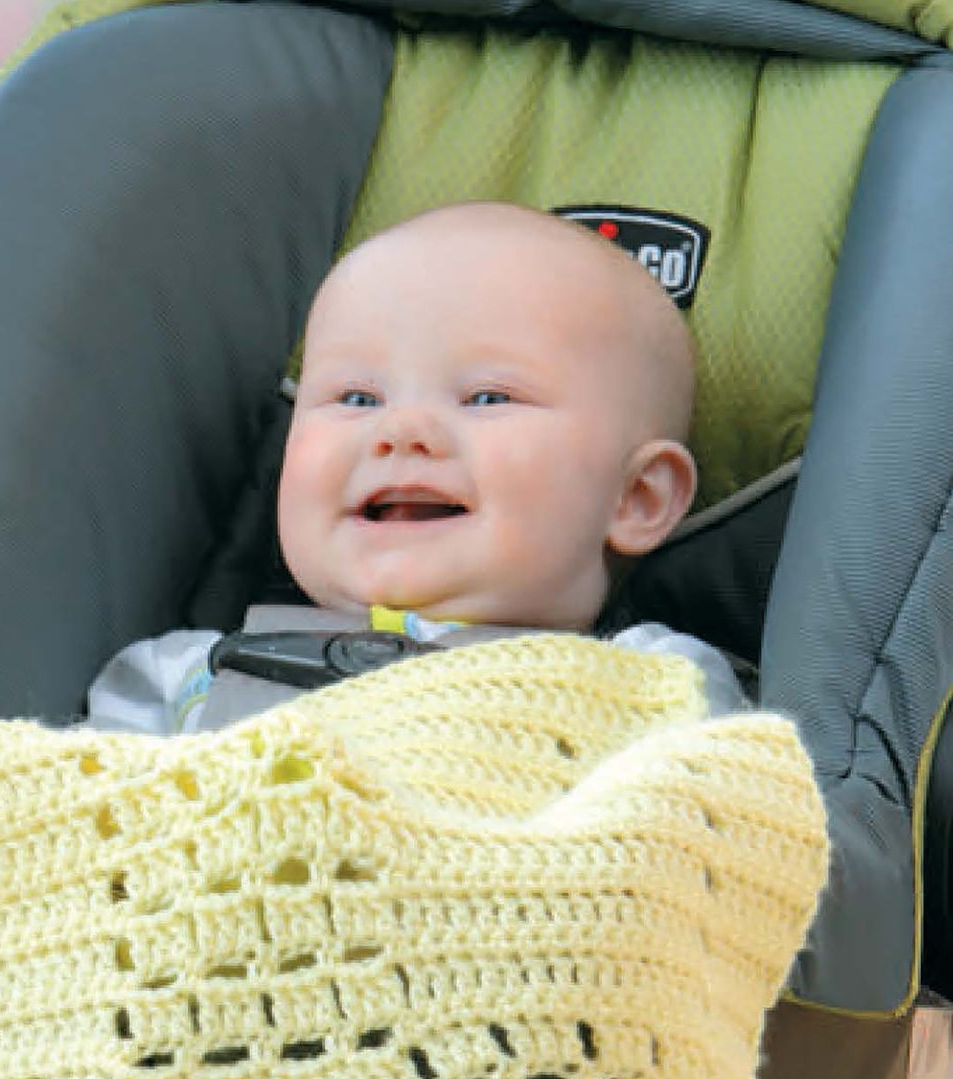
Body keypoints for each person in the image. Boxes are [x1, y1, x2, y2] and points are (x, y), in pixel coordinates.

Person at [87, 200, 748, 732]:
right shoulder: (178, 684)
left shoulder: (664, 695)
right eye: (356, 397)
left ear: (635, 497)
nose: (400, 429)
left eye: (487, 397)